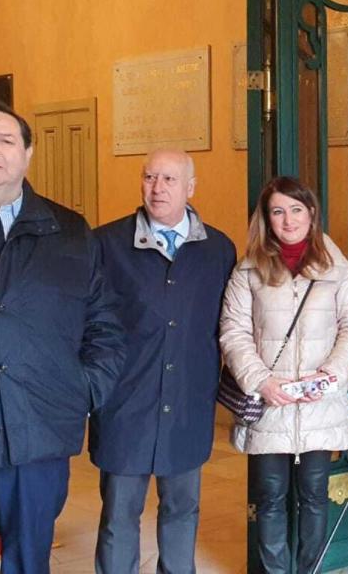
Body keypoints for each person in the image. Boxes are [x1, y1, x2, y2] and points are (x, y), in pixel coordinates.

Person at [0, 101, 125, 571]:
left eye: (6, 140)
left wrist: (81, 392)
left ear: (27, 154)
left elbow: (104, 323)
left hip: (38, 428)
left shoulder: (68, 231)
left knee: (30, 558)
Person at [90, 149, 237, 572]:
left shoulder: (218, 249)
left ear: (191, 188)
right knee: (119, 515)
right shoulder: (106, 244)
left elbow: (230, 325)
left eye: (170, 180)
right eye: (150, 177)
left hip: (187, 405)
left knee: (181, 511)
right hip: (125, 404)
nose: (158, 188)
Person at [219, 176, 348, 573]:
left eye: (296, 210)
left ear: (312, 213)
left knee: (315, 496)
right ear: (267, 219)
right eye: (278, 211)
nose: (288, 220)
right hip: (271, 403)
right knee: (269, 497)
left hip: (319, 403)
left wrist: (331, 376)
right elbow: (233, 331)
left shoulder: (338, 271)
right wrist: (261, 381)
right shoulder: (248, 271)